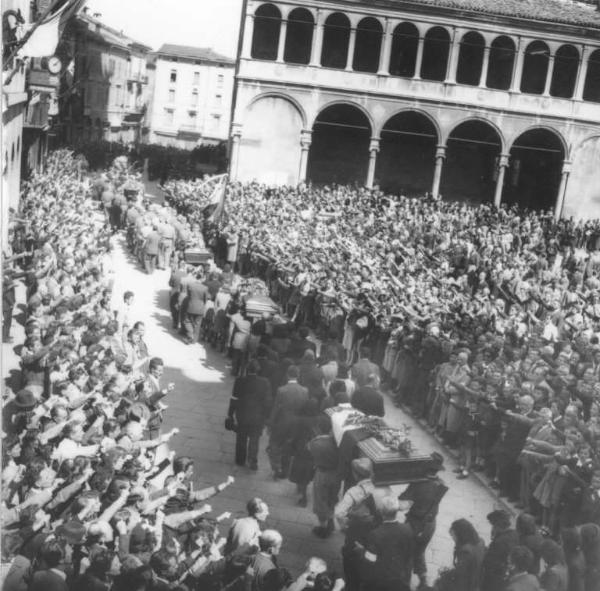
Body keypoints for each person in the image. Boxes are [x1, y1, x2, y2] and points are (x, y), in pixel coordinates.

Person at [398, 452, 447, 589]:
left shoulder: (419, 484)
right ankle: (423, 579)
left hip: (415, 523)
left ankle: (405, 585)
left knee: (407, 554)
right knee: (419, 551)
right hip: (430, 524)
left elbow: (403, 497)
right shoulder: (441, 484)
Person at [358, 495, 414, 591]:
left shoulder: (375, 534)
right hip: (401, 579)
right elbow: (409, 555)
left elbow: (371, 560)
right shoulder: (407, 529)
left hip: (382, 582)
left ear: (381, 512)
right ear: (396, 511)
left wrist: (362, 551)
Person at [227, 360, 273, 469]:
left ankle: (240, 460)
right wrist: (266, 416)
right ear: (258, 370)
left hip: (242, 414)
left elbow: (234, 399)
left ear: (247, 370)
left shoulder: (239, 381)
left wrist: (230, 414)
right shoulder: (265, 382)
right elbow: (267, 402)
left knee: (241, 438)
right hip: (258, 416)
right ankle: (252, 461)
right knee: (255, 439)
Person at [267, 365, 308, 479]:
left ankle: (277, 467)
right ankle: (285, 470)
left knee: (275, 445)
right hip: (297, 424)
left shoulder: (281, 390)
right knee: (288, 447)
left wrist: (271, 423)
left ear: (287, 375)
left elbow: (276, 409)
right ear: (298, 375)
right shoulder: (305, 391)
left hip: (282, 423)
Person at [481, 509, 520, 591]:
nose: (492, 528)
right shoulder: (514, 534)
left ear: (497, 526)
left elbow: (488, 562)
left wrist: (485, 551)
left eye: (493, 525)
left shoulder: (499, 542)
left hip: (495, 578)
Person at [445, 518, 486, 591]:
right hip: (477, 581)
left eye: (453, 535)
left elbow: (461, 576)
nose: (453, 539)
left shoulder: (465, 552)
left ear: (461, 535)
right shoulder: (481, 541)